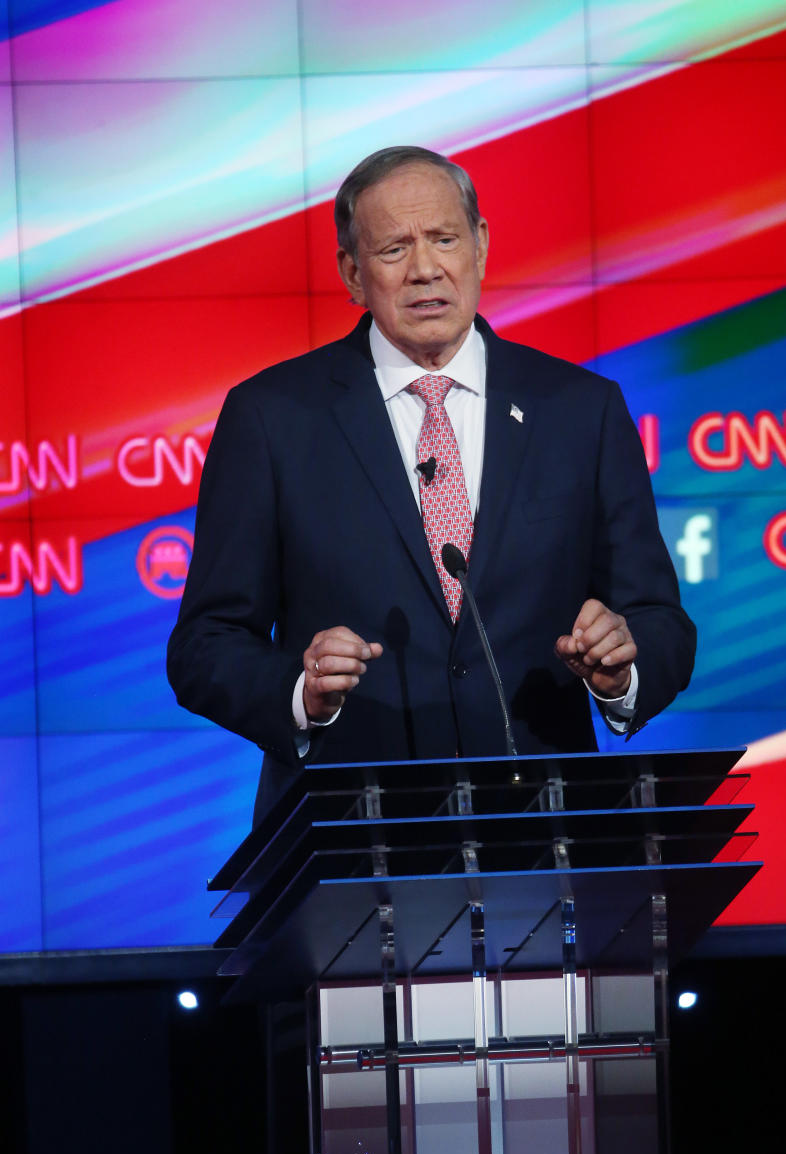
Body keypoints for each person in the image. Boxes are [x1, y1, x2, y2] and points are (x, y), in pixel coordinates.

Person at [167, 146, 695, 824]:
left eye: (444, 238)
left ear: (479, 245)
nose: (425, 269)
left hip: (540, 833)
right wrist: (301, 689)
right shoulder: (273, 418)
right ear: (352, 273)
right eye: (392, 249)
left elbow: (658, 618)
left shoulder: (580, 410)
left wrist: (623, 668)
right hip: (344, 844)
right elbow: (206, 643)